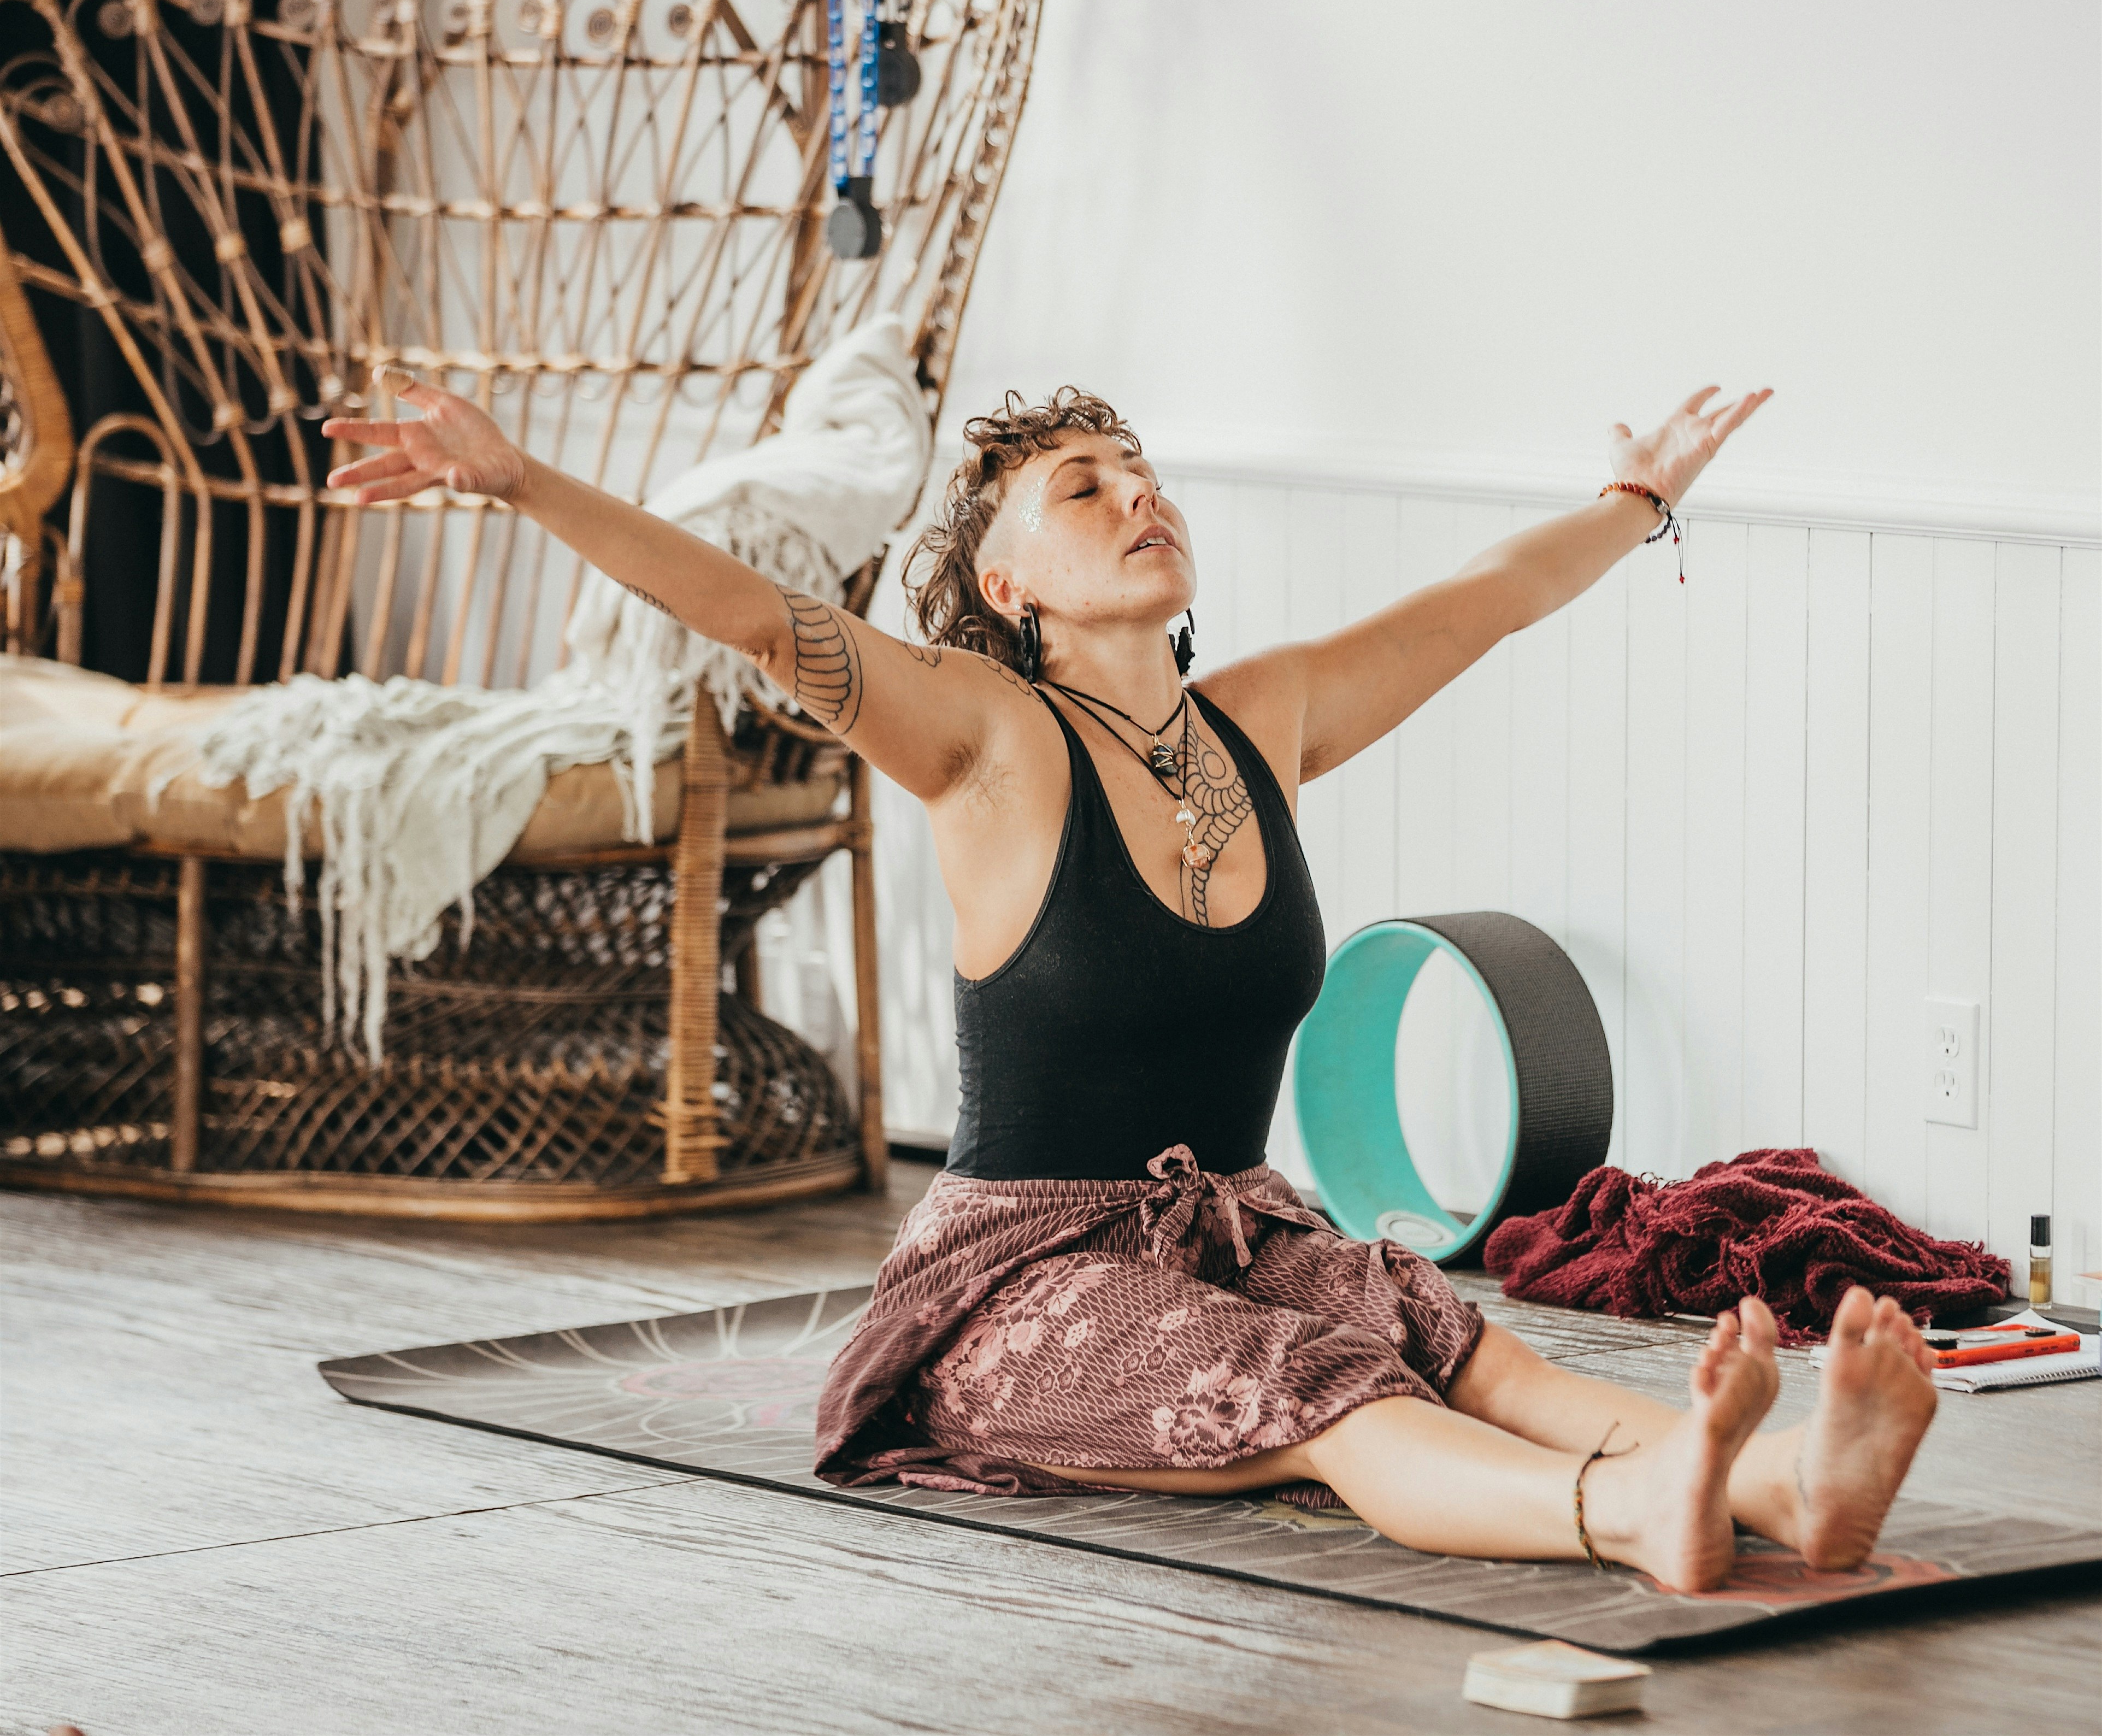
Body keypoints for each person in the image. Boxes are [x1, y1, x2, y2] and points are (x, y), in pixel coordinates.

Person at [322, 375, 1940, 1594]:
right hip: (1018, 1283)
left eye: (1143, 473)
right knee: (1324, 1390)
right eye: (1082, 489)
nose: (1136, 495)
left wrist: (1638, 498)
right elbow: (758, 618)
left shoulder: (1265, 718)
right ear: (1009, 587)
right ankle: (1633, 1514)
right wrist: (518, 477)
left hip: (1234, 1226)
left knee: (1460, 1346)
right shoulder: (982, 735)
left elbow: (1487, 601)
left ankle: (1782, 1483)